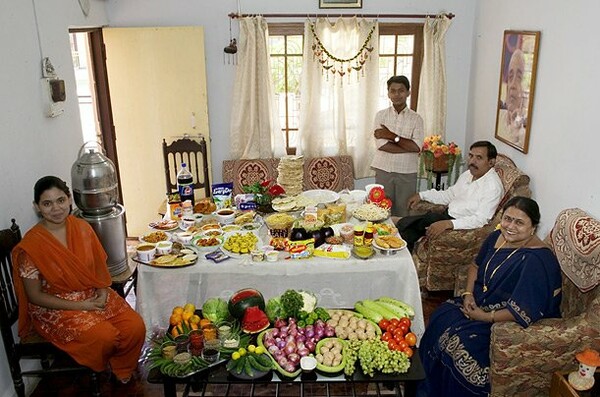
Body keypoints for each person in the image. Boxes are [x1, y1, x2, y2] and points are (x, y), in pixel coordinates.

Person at [417, 196, 562, 396]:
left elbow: (524, 308)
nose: (510, 226)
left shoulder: (537, 260)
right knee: (441, 316)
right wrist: (468, 294)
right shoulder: (497, 237)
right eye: (507, 219)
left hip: (506, 320)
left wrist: (485, 317)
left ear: (533, 228)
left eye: (519, 222)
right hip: (479, 302)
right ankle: (422, 384)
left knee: (458, 343)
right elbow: (475, 266)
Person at [11, 176, 146, 383]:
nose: (56, 208)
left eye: (61, 200)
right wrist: (82, 305)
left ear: (69, 200)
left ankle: (122, 367)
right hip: (56, 307)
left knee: (134, 327)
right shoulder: (32, 246)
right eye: (47, 203)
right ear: (37, 207)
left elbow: (99, 270)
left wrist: (101, 293)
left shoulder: (82, 228)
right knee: (105, 337)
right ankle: (101, 362)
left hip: (91, 294)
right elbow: (35, 296)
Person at [396, 140, 504, 251]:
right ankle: (402, 234)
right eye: (471, 156)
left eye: (479, 158)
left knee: (406, 229)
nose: (472, 161)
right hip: (446, 215)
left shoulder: (492, 187)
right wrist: (422, 195)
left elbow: (480, 220)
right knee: (414, 225)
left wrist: (449, 224)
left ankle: (400, 230)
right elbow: (449, 195)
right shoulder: (468, 174)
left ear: (491, 162)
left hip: (461, 227)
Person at [371, 75, 424, 217]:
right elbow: (382, 146)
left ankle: (403, 239)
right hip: (383, 170)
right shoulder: (380, 116)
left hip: (407, 171)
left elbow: (416, 147)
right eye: (392, 91)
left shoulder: (416, 119)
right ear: (388, 93)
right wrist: (405, 144)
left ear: (408, 92)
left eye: (401, 90)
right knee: (381, 211)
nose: (396, 94)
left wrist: (390, 135)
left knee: (404, 211)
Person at [497, 49, 527, 147]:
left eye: (519, 77)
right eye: (510, 77)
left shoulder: (524, 131)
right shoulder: (500, 118)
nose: (512, 85)